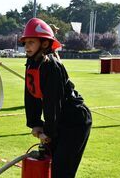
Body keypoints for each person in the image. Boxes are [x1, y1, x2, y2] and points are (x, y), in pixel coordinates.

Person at [21, 18, 92, 178]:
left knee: (61, 171)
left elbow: (52, 103)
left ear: (44, 44)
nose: (27, 47)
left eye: (31, 42)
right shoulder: (31, 63)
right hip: (59, 120)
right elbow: (30, 96)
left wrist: (49, 132)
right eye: (25, 43)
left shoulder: (51, 66)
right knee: (53, 167)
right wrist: (35, 123)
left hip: (74, 121)